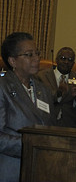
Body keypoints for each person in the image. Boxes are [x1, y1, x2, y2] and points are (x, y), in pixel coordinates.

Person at [0, 32, 56, 182]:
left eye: (37, 53)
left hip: (38, 169)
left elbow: (50, 127)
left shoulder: (43, 90)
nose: (36, 58)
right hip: (10, 171)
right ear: (12, 61)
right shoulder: (2, 87)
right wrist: (31, 145)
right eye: (29, 54)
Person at [37, 47, 76, 128]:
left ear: (73, 63)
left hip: (72, 127)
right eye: (63, 58)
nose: (66, 62)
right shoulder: (41, 77)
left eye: (70, 60)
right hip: (47, 125)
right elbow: (39, 101)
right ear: (56, 60)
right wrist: (58, 93)